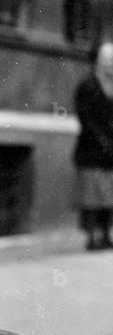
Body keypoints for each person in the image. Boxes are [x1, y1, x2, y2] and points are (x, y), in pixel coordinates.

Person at [73, 40, 113, 250]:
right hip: (91, 149)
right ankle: (92, 237)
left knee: (108, 196)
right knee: (91, 197)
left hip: (110, 153)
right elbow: (85, 117)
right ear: (98, 62)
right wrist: (101, 139)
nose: (110, 65)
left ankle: (106, 234)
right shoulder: (87, 85)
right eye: (107, 60)